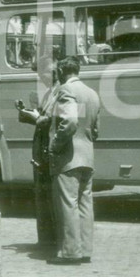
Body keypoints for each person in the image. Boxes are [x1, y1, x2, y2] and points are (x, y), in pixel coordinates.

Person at [47, 56, 100, 265]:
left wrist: (56, 143)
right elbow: (95, 130)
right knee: (85, 203)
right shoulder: (91, 93)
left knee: (68, 203)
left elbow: (69, 121)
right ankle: (85, 249)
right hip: (87, 155)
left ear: (61, 72)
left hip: (68, 156)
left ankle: (70, 252)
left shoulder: (66, 91)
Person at [16, 53, 61, 253]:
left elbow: (48, 120)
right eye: (40, 74)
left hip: (47, 147)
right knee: (42, 195)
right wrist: (26, 112)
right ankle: (45, 239)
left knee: (48, 195)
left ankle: (51, 240)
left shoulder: (60, 91)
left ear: (56, 70)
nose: (42, 77)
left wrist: (36, 117)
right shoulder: (49, 92)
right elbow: (41, 117)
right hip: (40, 146)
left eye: (45, 73)